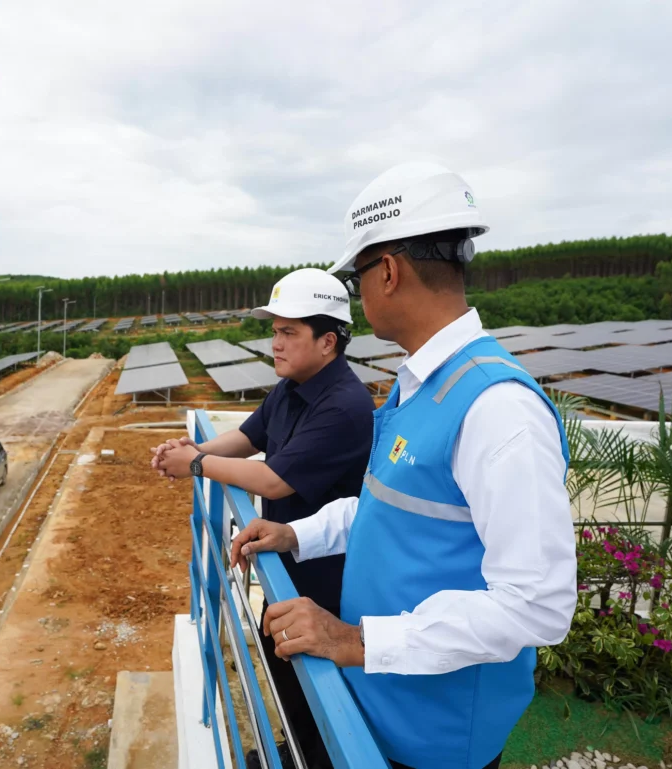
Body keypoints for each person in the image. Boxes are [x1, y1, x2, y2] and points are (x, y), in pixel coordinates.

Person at [230, 162, 577, 769]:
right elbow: (388, 509)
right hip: (381, 702)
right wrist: (296, 533)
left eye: (359, 274)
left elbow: (537, 603)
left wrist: (354, 638)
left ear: (387, 270)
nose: (358, 296)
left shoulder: (497, 410)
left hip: (433, 737)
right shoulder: (417, 386)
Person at [151, 268, 375, 769]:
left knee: (321, 697)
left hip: (327, 588)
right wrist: (196, 448)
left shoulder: (344, 405)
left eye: (288, 332)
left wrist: (195, 464)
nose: (274, 342)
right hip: (285, 569)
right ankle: (288, 755)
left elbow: (274, 480)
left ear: (328, 342)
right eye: (274, 330)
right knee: (287, 682)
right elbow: (251, 437)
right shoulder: (293, 386)